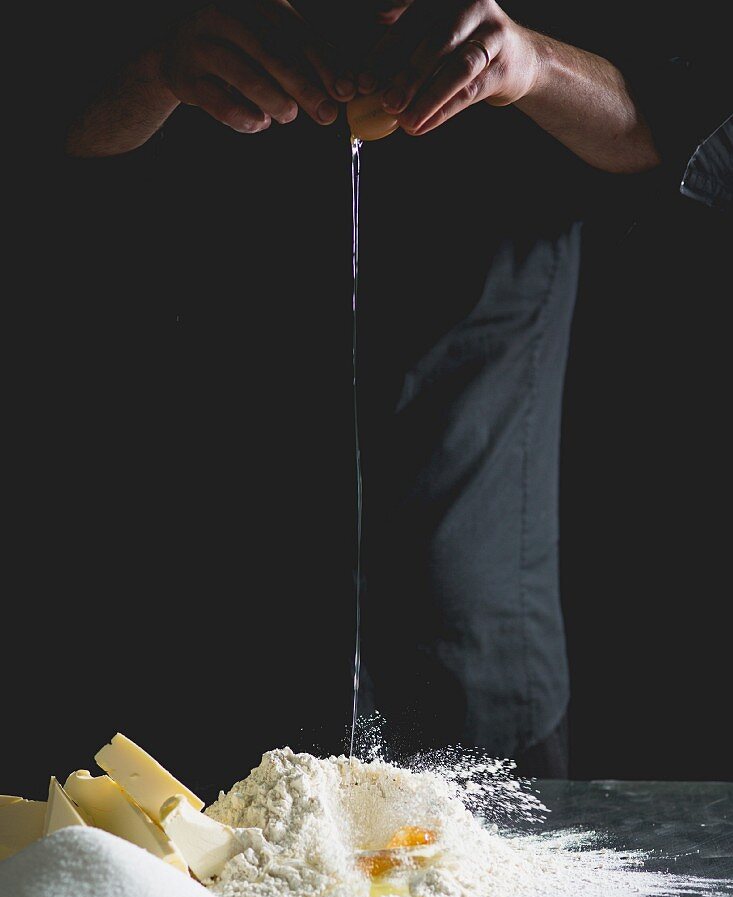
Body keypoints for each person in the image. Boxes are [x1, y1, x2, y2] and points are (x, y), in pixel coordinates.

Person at [13, 1, 725, 786]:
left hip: (475, 652)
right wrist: (150, 67)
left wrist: (537, 67)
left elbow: (703, 144)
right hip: (188, 643)